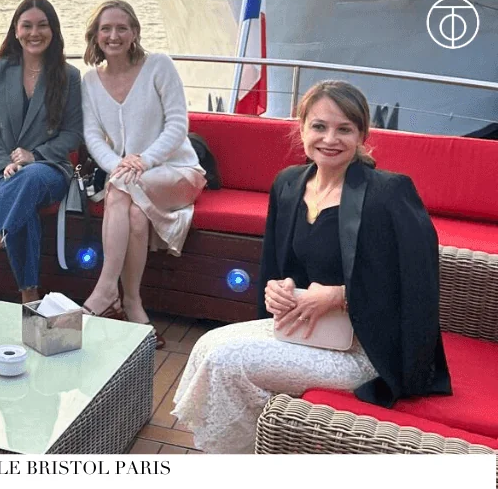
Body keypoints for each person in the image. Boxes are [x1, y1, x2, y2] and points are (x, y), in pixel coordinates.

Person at [171, 81, 451, 453]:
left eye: (344, 129)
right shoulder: (288, 185)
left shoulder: (389, 193)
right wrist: (279, 289)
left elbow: (419, 282)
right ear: (301, 128)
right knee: (207, 344)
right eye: (319, 126)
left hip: (364, 348)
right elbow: (283, 268)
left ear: (362, 135)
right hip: (310, 331)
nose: (330, 139)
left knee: (227, 361)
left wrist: (341, 297)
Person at [79, 0, 206, 347]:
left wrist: (144, 161)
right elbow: (92, 136)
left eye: (122, 28)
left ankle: (105, 292)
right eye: (106, 28)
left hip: (177, 172)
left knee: (119, 190)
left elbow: (179, 125)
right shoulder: (90, 81)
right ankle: (132, 305)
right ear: (96, 35)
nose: (114, 35)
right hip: (131, 178)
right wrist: (117, 165)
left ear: (134, 33)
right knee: (134, 215)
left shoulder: (158, 66)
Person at [0, 0, 84, 303]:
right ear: (15, 30)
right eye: (27, 26)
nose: (34, 33)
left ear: (54, 30)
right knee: (23, 208)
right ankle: (30, 296)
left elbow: (73, 133)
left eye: (42, 25)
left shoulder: (70, 76)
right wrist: (3, 163)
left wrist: (34, 156)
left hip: (48, 169)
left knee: (30, 176)